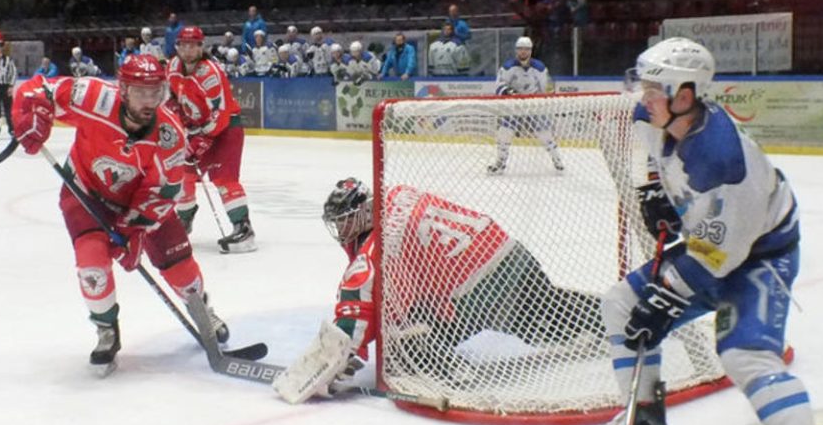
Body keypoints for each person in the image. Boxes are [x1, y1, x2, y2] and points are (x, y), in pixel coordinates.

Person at [589, 37, 823, 425]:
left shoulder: (722, 160)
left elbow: (718, 258)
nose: (643, 98)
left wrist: (664, 301)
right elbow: (654, 157)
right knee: (621, 304)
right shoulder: (651, 118)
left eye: (654, 89)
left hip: (759, 255)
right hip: (714, 243)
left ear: (685, 95)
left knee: (743, 352)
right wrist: (652, 192)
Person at [273, 179, 599, 403]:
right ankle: (611, 313)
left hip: (479, 288)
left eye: (344, 221)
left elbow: (357, 311)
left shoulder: (372, 253)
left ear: (361, 214)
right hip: (508, 252)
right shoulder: (400, 192)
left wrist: (331, 361)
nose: (341, 231)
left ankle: (450, 369)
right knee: (550, 311)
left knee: (401, 343)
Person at [9, 55, 229, 376]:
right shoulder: (94, 97)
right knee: (92, 264)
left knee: (179, 265)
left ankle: (202, 310)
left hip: (141, 205)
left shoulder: (170, 136)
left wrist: (133, 231)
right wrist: (32, 116)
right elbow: (38, 88)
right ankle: (106, 329)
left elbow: (164, 192)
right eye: (141, 92)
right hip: (86, 193)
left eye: (156, 92)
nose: (149, 101)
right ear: (123, 90)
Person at [167, 25, 256, 252]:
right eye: (183, 45)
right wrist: (181, 123)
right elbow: (172, 99)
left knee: (224, 179)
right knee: (181, 176)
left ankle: (243, 229)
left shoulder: (210, 73)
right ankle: (183, 223)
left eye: (192, 45)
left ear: (201, 47)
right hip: (198, 130)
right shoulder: (173, 66)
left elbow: (221, 113)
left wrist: (202, 140)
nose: (187, 50)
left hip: (226, 129)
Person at [488, 35, 563, 173]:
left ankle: (557, 160)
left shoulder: (539, 68)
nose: (523, 52)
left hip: (533, 105)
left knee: (545, 134)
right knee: (504, 133)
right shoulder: (507, 67)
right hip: (514, 105)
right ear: (516, 51)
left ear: (531, 51)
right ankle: (500, 162)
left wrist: (544, 98)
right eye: (520, 49)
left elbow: (547, 87)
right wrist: (509, 92)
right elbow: (499, 86)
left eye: (526, 49)